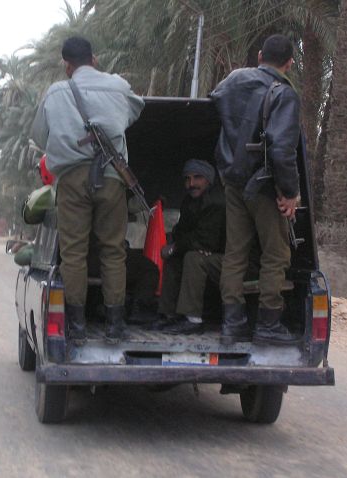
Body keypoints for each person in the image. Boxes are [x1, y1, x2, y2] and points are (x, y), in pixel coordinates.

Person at [31, 36, 144, 343]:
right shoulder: (118, 86)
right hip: (112, 176)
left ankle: (77, 326)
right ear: (94, 59)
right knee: (113, 250)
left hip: (71, 180)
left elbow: (40, 136)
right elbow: (136, 111)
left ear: (66, 65)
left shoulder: (55, 93)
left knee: (73, 253)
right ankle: (115, 325)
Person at [211, 34, 302, 346]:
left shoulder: (233, 80)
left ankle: (232, 323)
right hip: (264, 186)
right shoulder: (284, 94)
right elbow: (282, 150)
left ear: (260, 55)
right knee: (276, 254)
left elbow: (215, 99)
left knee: (234, 253)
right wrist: (289, 192)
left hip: (232, 181)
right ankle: (268, 323)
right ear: (289, 63)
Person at [155, 159, 225, 335]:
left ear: (208, 180)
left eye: (197, 177)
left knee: (193, 258)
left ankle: (193, 320)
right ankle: (168, 314)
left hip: (232, 260)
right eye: (187, 179)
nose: (191, 183)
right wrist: (180, 246)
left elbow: (207, 241)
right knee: (176, 258)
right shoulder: (190, 201)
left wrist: (178, 246)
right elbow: (180, 231)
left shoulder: (216, 201)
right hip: (210, 255)